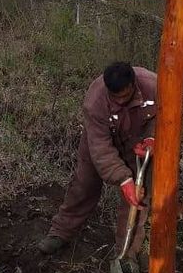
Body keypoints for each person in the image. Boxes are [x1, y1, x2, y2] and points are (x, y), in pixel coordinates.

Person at [39, 61, 156, 261]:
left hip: (138, 144)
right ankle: (60, 232)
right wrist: (124, 180)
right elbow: (101, 148)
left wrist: (153, 139)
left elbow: (169, 120)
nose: (119, 102)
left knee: (138, 197)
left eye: (124, 97)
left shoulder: (154, 87)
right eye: (115, 98)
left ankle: (127, 253)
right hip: (99, 142)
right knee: (83, 186)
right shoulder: (95, 100)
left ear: (133, 84)